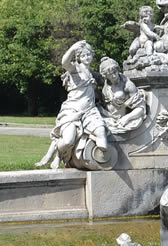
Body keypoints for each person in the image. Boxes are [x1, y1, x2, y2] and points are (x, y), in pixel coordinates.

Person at [36, 40, 107, 169]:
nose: (87, 58)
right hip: (73, 110)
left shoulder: (93, 74)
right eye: (83, 55)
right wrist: (73, 48)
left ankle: (59, 154)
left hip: (89, 112)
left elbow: (109, 79)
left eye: (89, 55)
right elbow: (64, 62)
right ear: (78, 57)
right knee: (68, 140)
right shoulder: (75, 69)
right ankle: (57, 151)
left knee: (101, 133)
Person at [97, 57, 146, 133]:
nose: (113, 76)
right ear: (105, 76)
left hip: (122, 119)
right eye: (110, 74)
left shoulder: (128, 85)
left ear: (117, 70)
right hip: (108, 117)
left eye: (115, 72)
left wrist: (127, 118)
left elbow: (141, 109)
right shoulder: (106, 86)